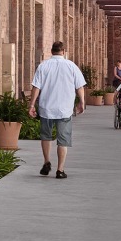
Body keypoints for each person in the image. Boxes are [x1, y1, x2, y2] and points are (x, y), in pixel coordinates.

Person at [28, 40, 86, 179]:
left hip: (46, 108)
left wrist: (31, 105)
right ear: (63, 51)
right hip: (64, 109)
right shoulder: (71, 66)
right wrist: (82, 102)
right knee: (63, 140)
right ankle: (60, 170)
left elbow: (36, 87)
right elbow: (80, 87)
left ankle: (47, 162)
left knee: (46, 137)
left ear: (51, 52)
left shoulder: (44, 65)